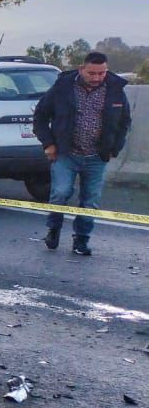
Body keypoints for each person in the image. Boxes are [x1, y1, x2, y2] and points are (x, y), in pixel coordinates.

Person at [33, 51, 133, 256]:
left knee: (91, 200)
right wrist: (49, 144)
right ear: (82, 69)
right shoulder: (62, 88)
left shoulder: (115, 90)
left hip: (96, 156)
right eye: (92, 73)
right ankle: (53, 229)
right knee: (60, 192)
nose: (97, 78)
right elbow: (40, 117)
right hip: (66, 153)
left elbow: (124, 122)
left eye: (101, 73)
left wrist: (115, 147)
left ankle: (81, 240)